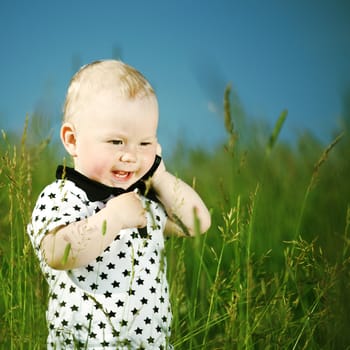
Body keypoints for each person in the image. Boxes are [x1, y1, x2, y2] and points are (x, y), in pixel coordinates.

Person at [27, 59, 211, 349]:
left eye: (145, 143)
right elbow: (56, 252)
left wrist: (160, 175)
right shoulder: (63, 196)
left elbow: (197, 223)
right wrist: (112, 219)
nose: (131, 156)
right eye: (116, 142)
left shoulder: (142, 201)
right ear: (73, 140)